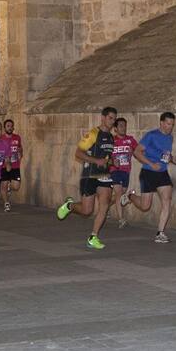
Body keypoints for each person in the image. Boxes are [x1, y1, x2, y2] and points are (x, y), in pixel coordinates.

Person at [56, 107, 117, 250]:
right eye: (110, 118)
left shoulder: (111, 137)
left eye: (114, 119)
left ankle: (93, 237)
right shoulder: (93, 134)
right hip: (89, 174)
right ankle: (70, 206)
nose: (112, 121)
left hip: (104, 175)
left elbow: (106, 158)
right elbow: (78, 153)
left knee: (104, 204)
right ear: (103, 118)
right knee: (86, 211)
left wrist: (112, 161)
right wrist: (96, 161)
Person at [120, 112, 176, 243]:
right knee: (145, 206)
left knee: (167, 200)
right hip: (148, 172)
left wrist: (172, 159)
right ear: (162, 123)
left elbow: (164, 155)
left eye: (172, 124)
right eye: (168, 124)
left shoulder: (170, 138)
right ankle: (130, 196)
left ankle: (160, 233)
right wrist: (151, 164)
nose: (170, 127)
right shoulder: (151, 135)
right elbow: (137, 152)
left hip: (162, 173)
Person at [109, 118, 138, 229]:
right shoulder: (111, 140)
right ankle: (121, 219)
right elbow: (104, 156)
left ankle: (105, 206)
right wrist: (112, 161)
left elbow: (139, 152)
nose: (123, 128)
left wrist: (133, 152)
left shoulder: (130, 140)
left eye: (125, 125)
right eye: (120, 126)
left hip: (126, 171)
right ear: (115, 128)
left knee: (121, 195)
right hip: (114, 170)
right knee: (118, 193)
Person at [0, 119, 23, 212]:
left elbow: (20, 148)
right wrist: (5, 161)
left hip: (15, 166)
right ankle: (6, 203)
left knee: (16, 187)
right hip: (4, 166)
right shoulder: (1, 138)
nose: (10, 128)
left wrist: (20, 153)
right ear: (5, 128)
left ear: (13, 128)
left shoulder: (17, 137)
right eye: (8, 126)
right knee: (4, 185)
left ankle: (10, 187)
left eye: (11, 126)